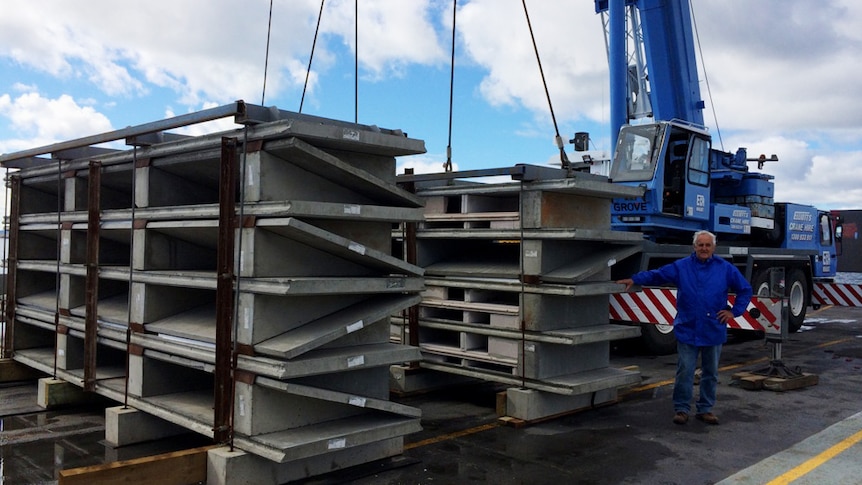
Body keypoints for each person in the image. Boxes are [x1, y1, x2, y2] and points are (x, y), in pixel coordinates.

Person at [616, 230, 752, 425]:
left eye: (707, 245)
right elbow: (658, 275)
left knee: (710, 373)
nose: (704, 248)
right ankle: (681, 409)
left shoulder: (726, 268)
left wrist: (734, 312)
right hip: (688, 328)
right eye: (700, 245)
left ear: (713, 247)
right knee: (685, 371)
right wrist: (635, 279)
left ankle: (705, 409)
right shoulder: (682, 267)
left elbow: (745, 289)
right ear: (694, 247)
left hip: (713, 328)